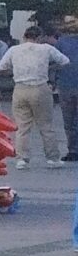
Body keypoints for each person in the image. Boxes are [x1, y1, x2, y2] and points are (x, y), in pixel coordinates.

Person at [0, 24, 69, 168]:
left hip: (20, 88)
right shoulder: (46, 49)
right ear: (40, 37)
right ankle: (52, 158)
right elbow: (65, 61)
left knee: (22, 126)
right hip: (40, 88)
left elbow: (2, 67)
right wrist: (50, 68)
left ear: (24, 37)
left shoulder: (14, 50)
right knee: (46, 126)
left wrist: (16, 71)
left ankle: (22, 159)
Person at [55, 15, 78, 156]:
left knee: (68, 120)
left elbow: (57, 63)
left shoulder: (61, 43)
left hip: (65, 84)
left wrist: (53, 81)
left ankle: (72, 149)